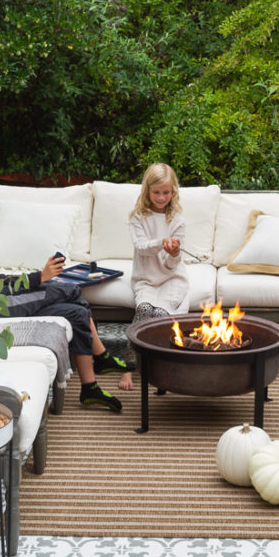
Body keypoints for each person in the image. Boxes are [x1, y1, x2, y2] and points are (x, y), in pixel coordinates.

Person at [0, 198, 133, 413]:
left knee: (76, 312)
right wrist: (40, 277)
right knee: (72, 290)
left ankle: (89, 387)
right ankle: (102, 357)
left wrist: (38, 278)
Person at [120, 163, 187, 391]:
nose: (161, 197)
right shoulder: (138, 217)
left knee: (159, 315)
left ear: (173, 192)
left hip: (172, 279)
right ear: (147, 190)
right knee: (144, 310)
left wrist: (174, 253)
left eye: (166, 192)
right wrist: (162, 242)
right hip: (146, 279)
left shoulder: (177, 220)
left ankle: (160, 369)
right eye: (156, 192)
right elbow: (142, 247)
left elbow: (171, 265)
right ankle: (128, 367)